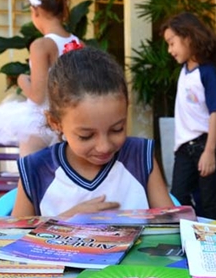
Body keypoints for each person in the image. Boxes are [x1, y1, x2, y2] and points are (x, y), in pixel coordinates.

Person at [11, 47, 174, 217]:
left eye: (117, 129)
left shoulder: (140, 157)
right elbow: (14, 238)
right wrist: (66, 220)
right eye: (86, 136)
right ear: (55, 123)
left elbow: (173, 224)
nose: (104, 147)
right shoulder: (36, 170)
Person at [0, 0, 84, 157]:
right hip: (69, 121)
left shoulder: (42, 46)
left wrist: (21, 80)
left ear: (36, 11)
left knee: (30, 177)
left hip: (41, 123)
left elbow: (38, 96)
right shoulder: (79, 44)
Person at [163, 13, 216, 226]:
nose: (170, 50)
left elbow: (215, 112)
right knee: (178, 197)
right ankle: (194, 234)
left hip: (206, 145)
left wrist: (209, 152)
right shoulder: (184, 71)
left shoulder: (207, 72)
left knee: (209, 201)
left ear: (188, 38)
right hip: (185, 150)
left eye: (172, 43)